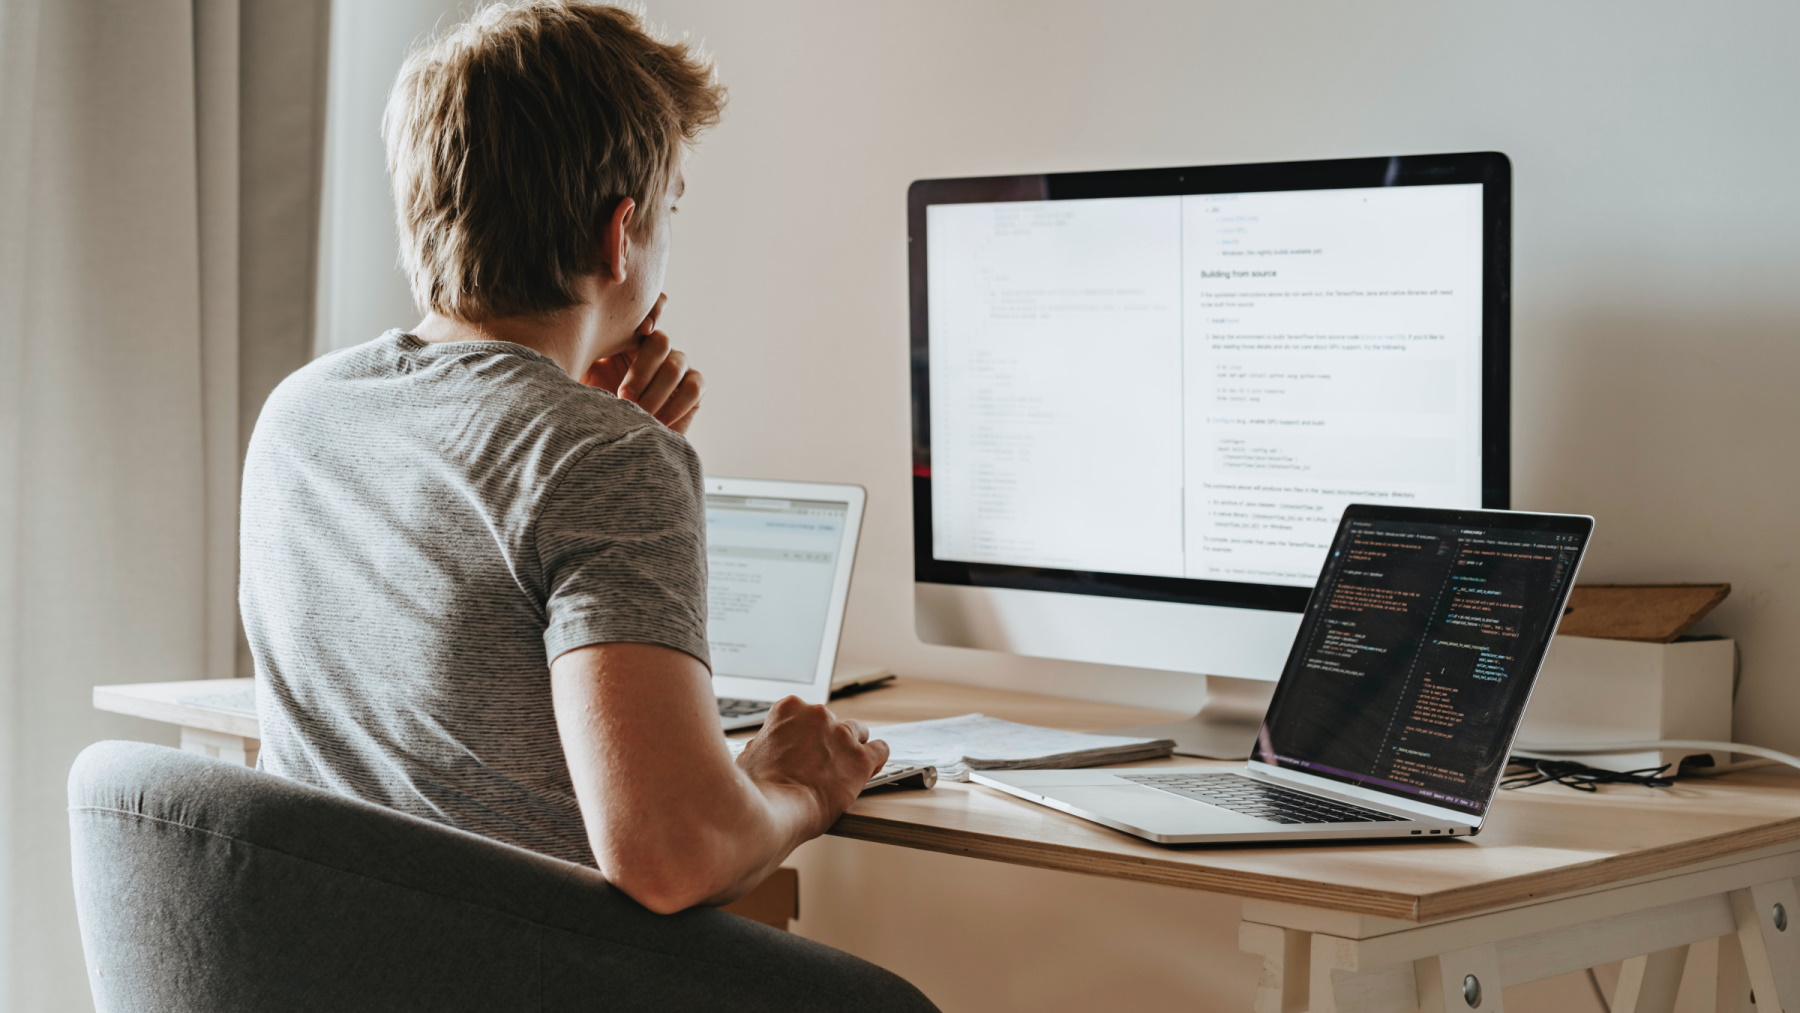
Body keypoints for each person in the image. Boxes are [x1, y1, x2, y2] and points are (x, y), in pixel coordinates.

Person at [239, 2, 933, 1007]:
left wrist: (600, 436)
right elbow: (669, 852)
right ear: (622, 233)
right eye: (672, 211)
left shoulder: (301, 413)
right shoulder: (602, 457)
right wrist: (796, 785)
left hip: (335, 967)